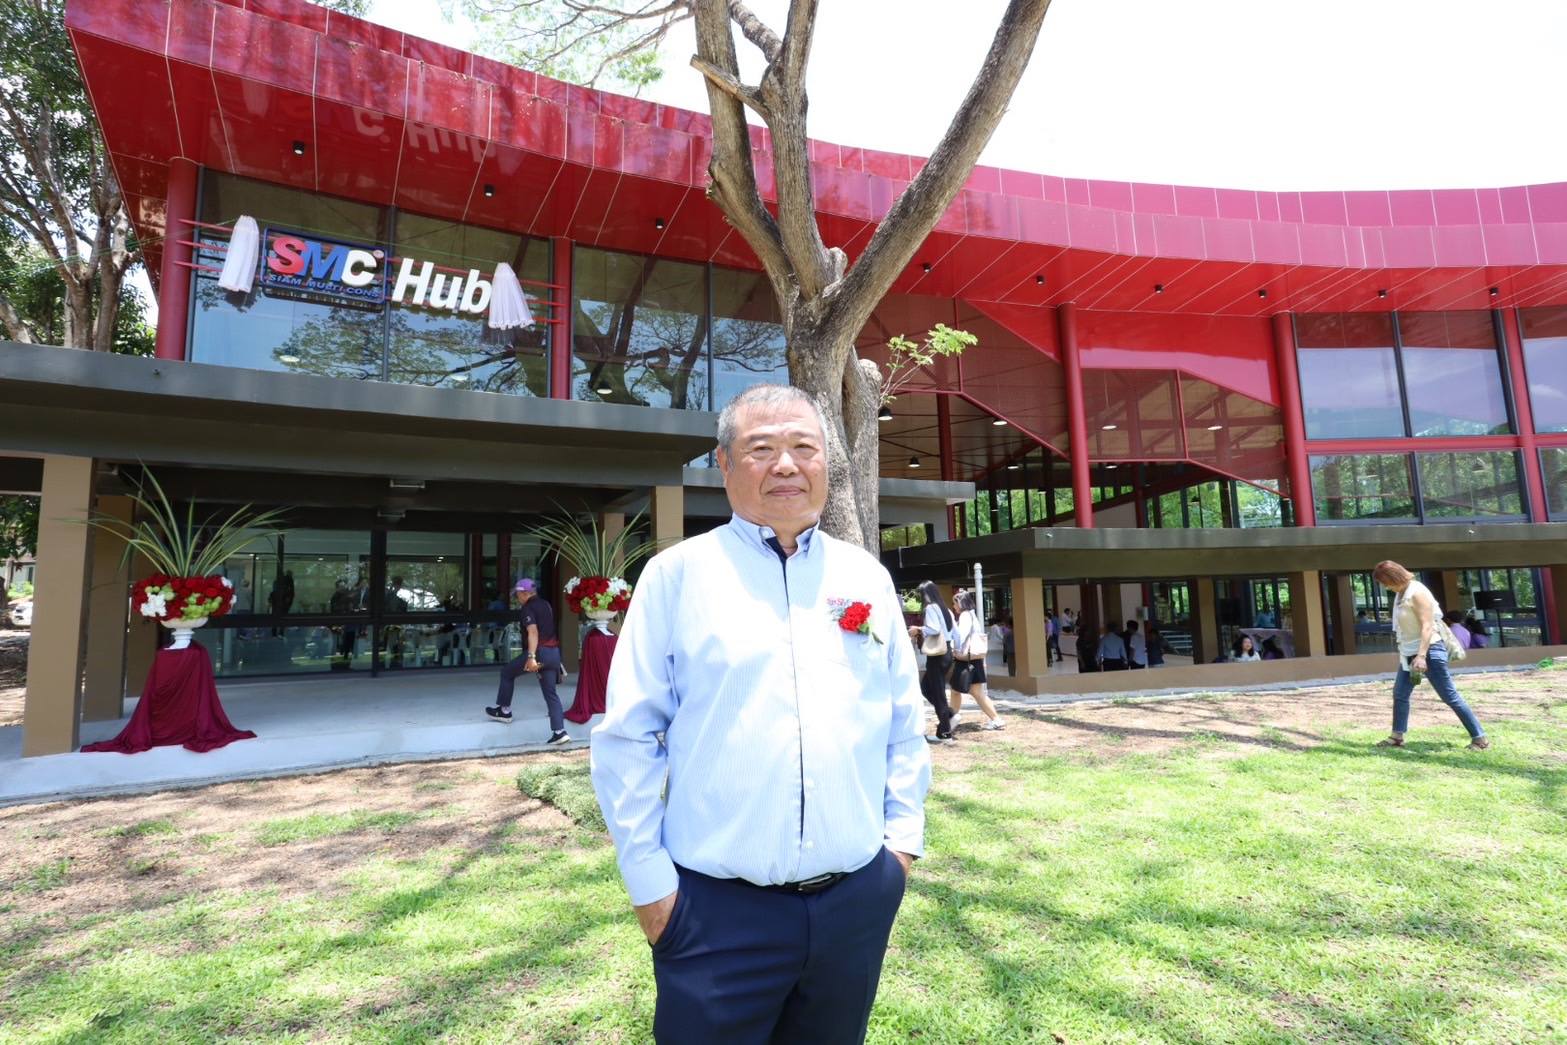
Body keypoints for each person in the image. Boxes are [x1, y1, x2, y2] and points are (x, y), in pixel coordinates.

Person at [590, 384, 930, 1042]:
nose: (786, 464)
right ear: (723, 464)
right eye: (762, 448)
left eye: (804, 446)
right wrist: (653, 890)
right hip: (712, 914)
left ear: (827, 461)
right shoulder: (677, 575)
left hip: (856, 901)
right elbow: (628, 738)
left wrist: (900, 849)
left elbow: (901, 721)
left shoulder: (864, 576)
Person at [1372, 560, 1488, 750]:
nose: (1386, 587)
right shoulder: (1401, 594)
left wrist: (1421, 656)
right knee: (1400, 694)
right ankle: (1397, 737)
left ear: (1395, 577)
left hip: (1428, 652)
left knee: (1449, 696)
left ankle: (1480, 738)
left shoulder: (1417, 592)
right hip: (1408, 652)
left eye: (1386, 582)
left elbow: (1427, 626)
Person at [485, 577, 569, 744]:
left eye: (518, 594)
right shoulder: (546, 605)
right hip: (553, 653)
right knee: (551, 693)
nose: (517, 598)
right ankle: (560, 732)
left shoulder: (528, 608)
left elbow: (533, 632)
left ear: (525, 593)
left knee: (507, 673)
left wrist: (531, 657)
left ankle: (504, 711)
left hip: (539, 653)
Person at [949, 591, 1004, 730]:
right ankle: (996, 719)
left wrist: (952, 647)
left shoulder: (965, 616)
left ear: (960, 603)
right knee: (975, 693)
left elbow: (961, 636)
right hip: (974, 659)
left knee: (956, 690)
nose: (953, 606)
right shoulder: (972, 615)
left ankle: (950, 720)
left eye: (954, 603)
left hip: (966, 659)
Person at [912, 580, 957, 743]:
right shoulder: (946, 609)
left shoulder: (931, 608)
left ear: (926, 594)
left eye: (921, 594)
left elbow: (934, 629)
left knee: (937, 693)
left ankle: (945, 732)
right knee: (927, 688)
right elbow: (956, 632)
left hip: (937, 655)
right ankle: (949, 716)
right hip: (947, 652)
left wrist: (918, 629)